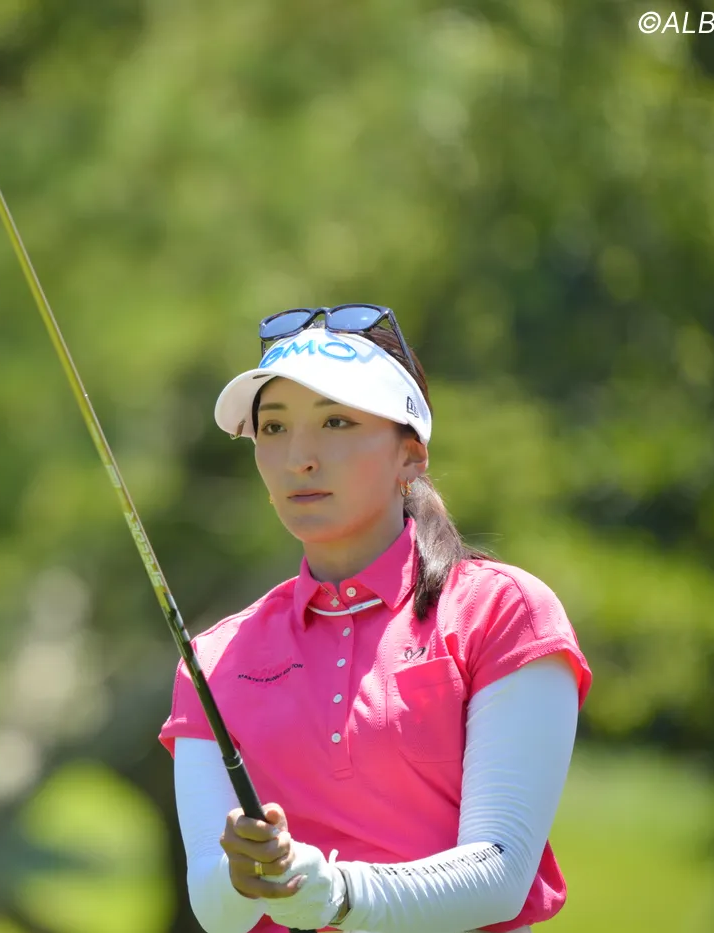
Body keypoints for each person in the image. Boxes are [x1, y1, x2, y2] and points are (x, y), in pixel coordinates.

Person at [158, 305, 592, 933]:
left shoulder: (503, 613)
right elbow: (213, 908)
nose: (298, 458)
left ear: (410, 455)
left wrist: (338, 893)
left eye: (336, 422)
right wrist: (246, 876)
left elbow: (501, 873)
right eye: (273, 428)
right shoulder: (214, 657)